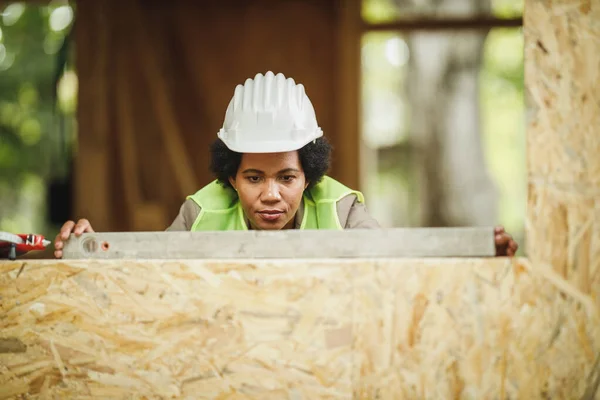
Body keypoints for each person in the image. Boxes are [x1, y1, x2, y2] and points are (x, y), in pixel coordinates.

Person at [53, 71, 518, 258]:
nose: (271, 194)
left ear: (309, 176)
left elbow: (395, 260)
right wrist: (86, 252)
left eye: (287, 177)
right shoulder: (200, 213)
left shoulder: (341, 209)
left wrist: (473, 251)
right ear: (231, 177)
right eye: (254, 177)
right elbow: (143, 272)